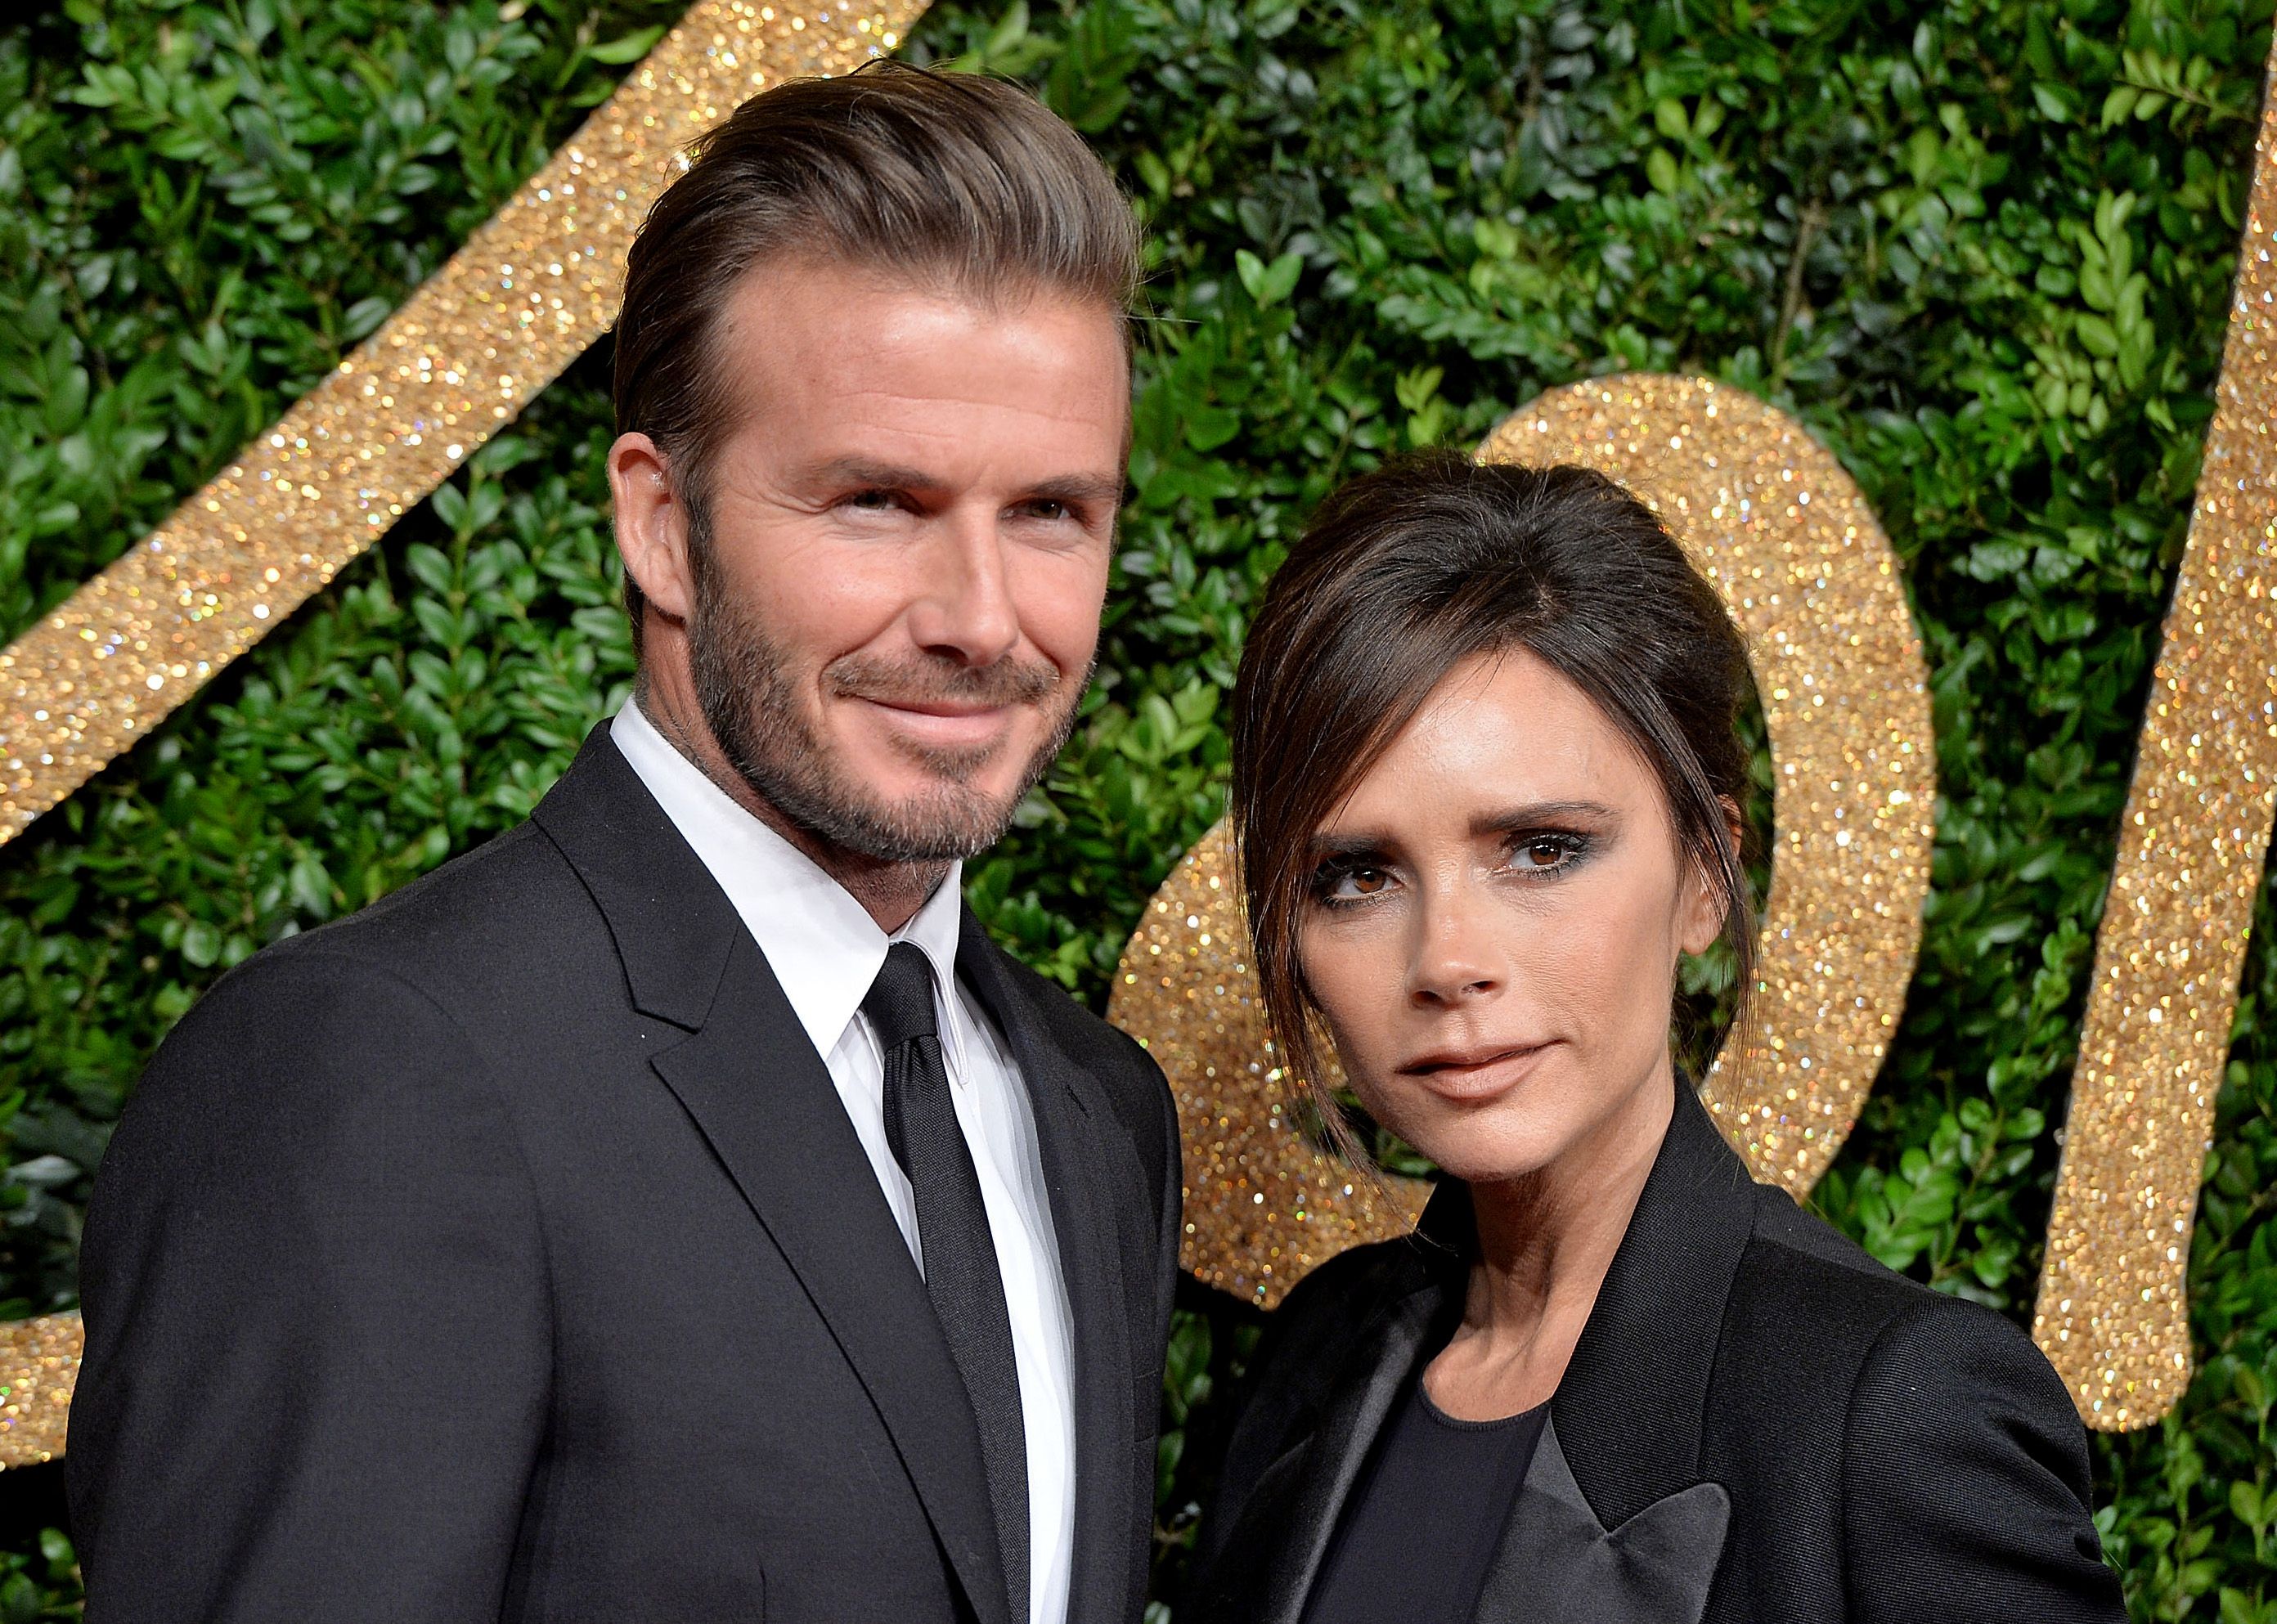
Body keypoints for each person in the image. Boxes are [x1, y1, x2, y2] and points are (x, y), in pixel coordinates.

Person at [69, 63, 1179, 1624]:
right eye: (875, 501)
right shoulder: (373, 1077)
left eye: (1054, 512)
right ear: (662, 524)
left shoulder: (1095, 1113)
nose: (981, 620)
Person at [1184, 453, 2128, 1624]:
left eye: (1541, 848)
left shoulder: (1894, 1417)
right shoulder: (1313, 1361)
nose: (1447, 961)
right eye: (1358, 875)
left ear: (1703, 877)